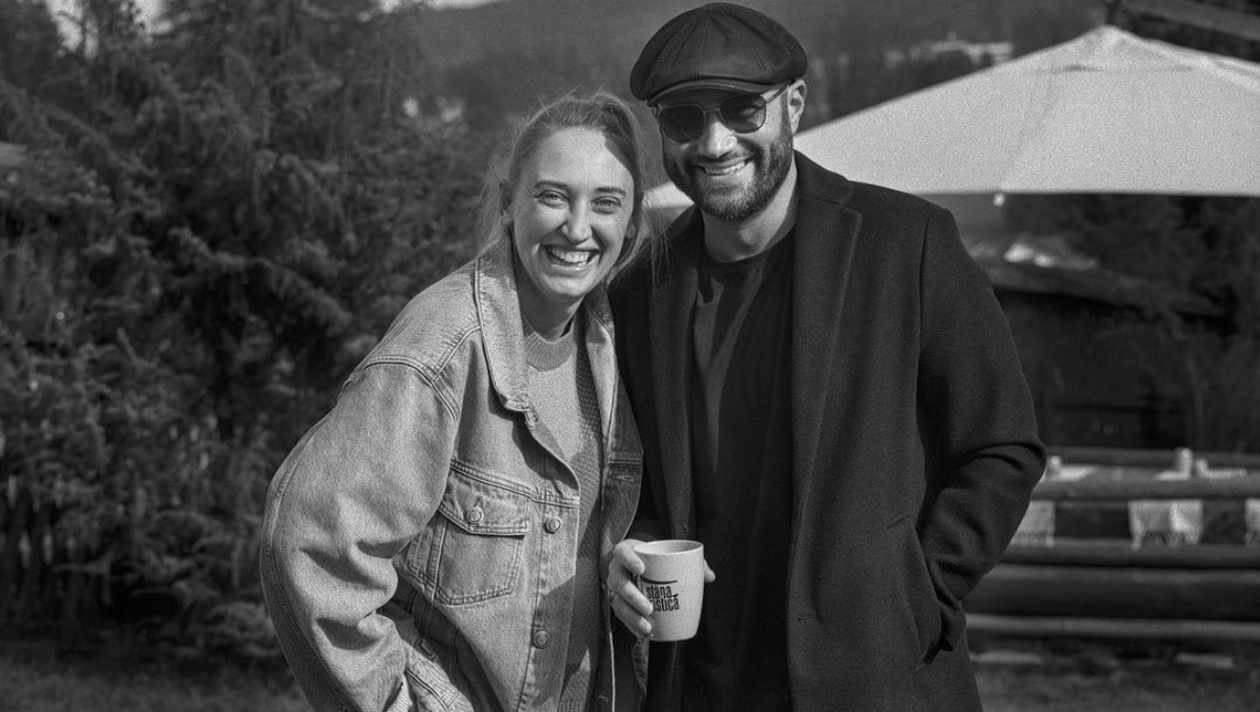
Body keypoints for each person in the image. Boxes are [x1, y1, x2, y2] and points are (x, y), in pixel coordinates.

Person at [605, 4, 1047, 711]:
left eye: (743, 110)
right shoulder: (638, 292)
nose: (715, 143)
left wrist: (918, 594)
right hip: (701, 687)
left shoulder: (907, 244)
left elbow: (1001, 445)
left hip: (879, 683)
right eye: (685, 119)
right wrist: (633, 547)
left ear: (794, 105)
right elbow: (643, 485)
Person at [261, 91, 651, 712]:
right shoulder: (443, 345)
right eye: (553, 196)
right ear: (509, 204)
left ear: (630, 222)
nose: (578, 228)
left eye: (605, 203)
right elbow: (312, 546)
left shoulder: (615, 344)